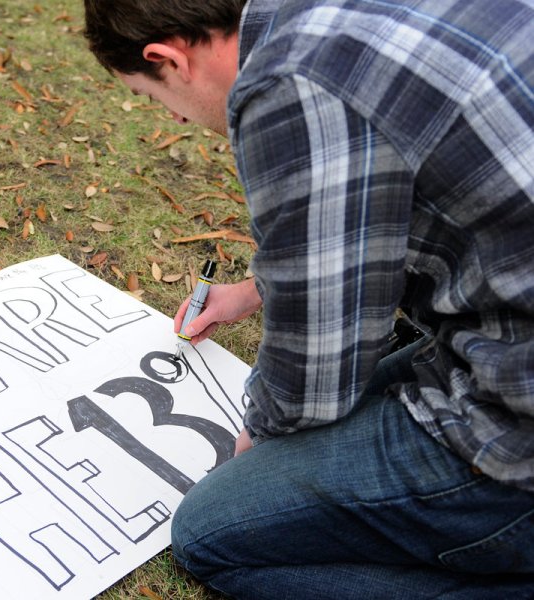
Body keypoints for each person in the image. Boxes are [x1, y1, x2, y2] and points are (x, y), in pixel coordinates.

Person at [83, 0, 534, 597]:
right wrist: (254, 290)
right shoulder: (327, 17)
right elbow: (376, 209)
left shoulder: (288, 80)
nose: (178, 120)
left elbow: (315, 376)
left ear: (168, 58)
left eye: (151, 97)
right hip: (510, 334)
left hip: (518, 428)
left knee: (213, 531)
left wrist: (263, 437)